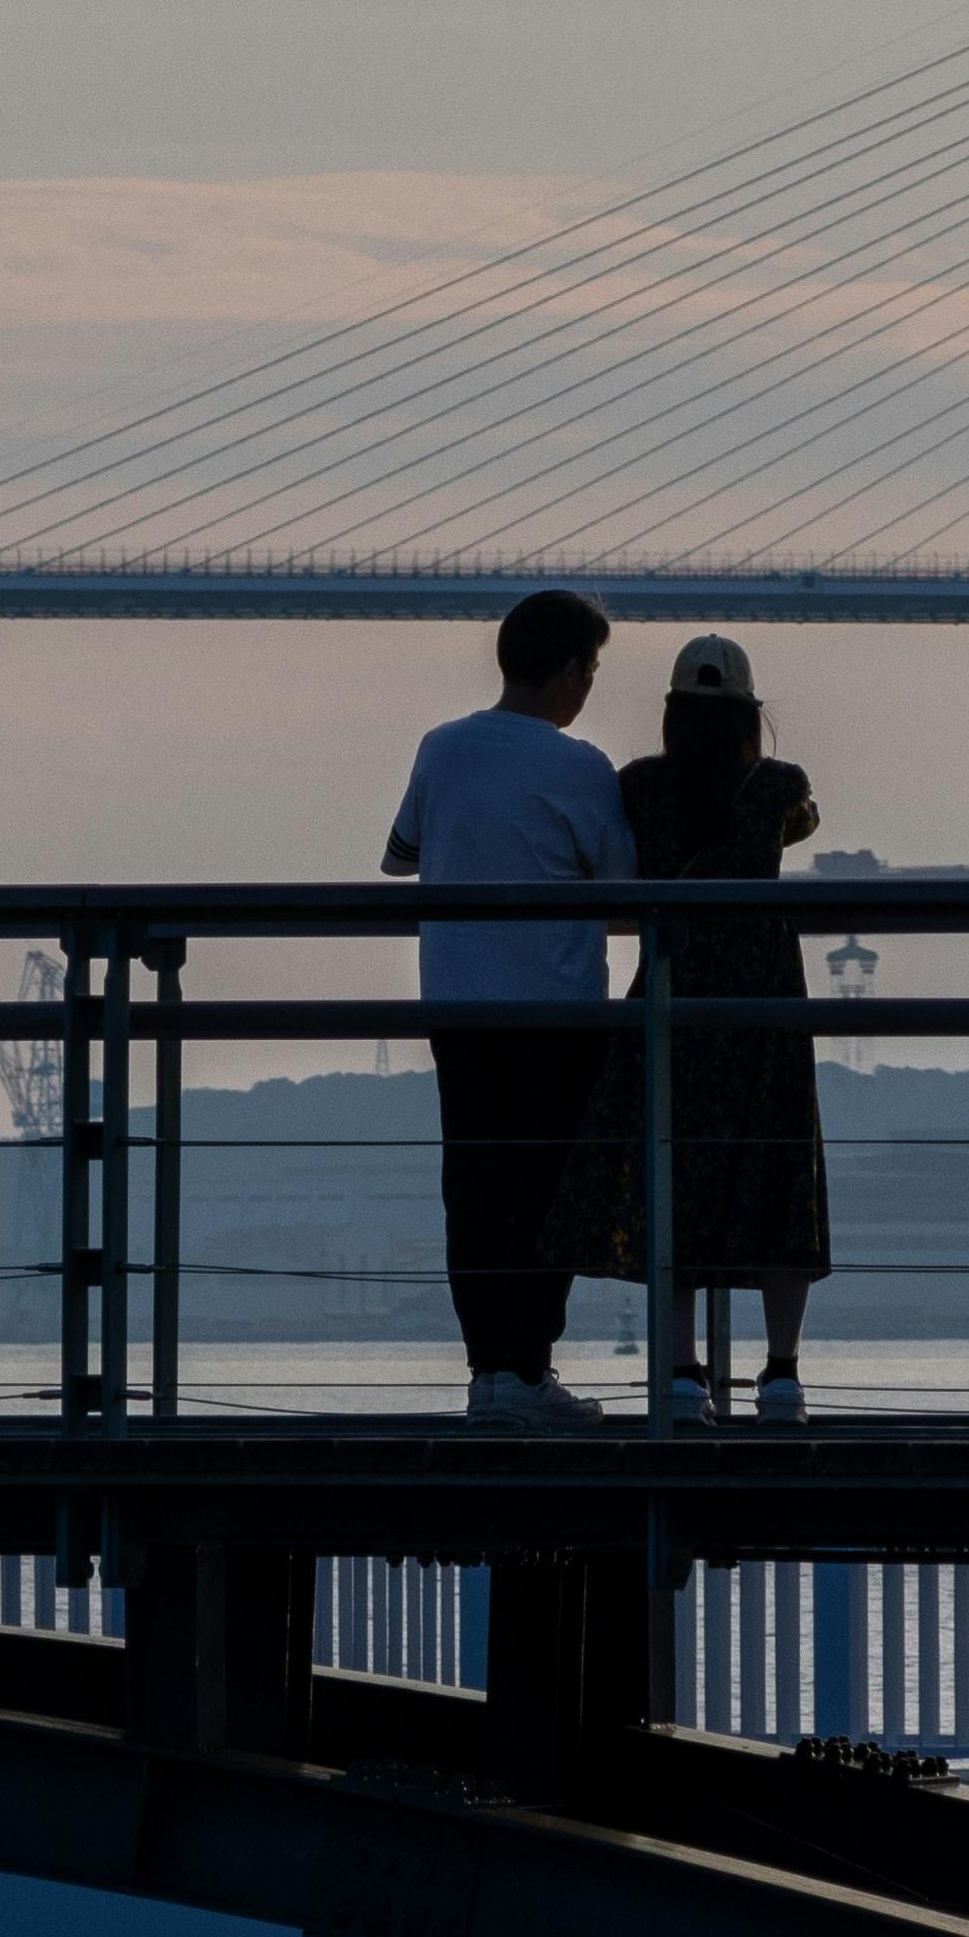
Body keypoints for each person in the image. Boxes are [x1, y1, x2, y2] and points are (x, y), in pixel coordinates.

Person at [558, 630, 831, 1423]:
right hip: (766, 1001)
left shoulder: (639, 786)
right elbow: (803, 826)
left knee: (668, 1173)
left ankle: (680, 1374)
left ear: (672, 713)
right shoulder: (781, 785)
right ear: (750, 712)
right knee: (780, 1174)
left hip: (673, 994)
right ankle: (780, 1376)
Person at [388, 586, 631, 1430]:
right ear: (570, 671)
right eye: (592, 669)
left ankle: (489, 1373)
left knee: (476, 1186)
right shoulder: (583, 767)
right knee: (544, 1193)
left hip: (459, 1008)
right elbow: (626, 894)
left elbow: (400, 856)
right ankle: (529, 1372)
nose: (590, 686)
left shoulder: (442, 747)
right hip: (556, 1016)